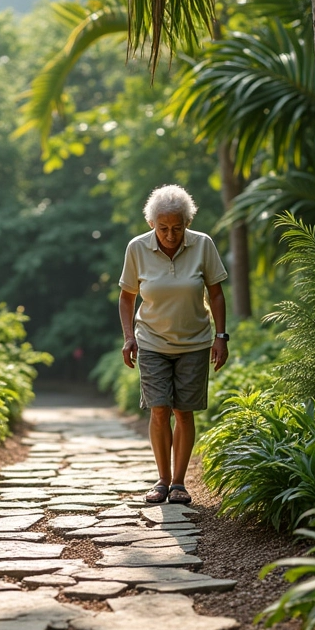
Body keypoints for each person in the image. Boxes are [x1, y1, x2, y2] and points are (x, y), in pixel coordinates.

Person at [118, 184, 229, 504]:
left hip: (195, 341)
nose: (170, 234)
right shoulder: (137, 248)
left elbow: (216, 293)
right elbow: (127, 298)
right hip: (151, 339)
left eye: (177, 228)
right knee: (158, 409)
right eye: (163, 228)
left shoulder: (203, 245)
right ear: (152, 224)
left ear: (187, 223)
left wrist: (221, 337)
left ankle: (179, 482)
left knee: (183, 411)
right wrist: (128, 338)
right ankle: (162, 479)